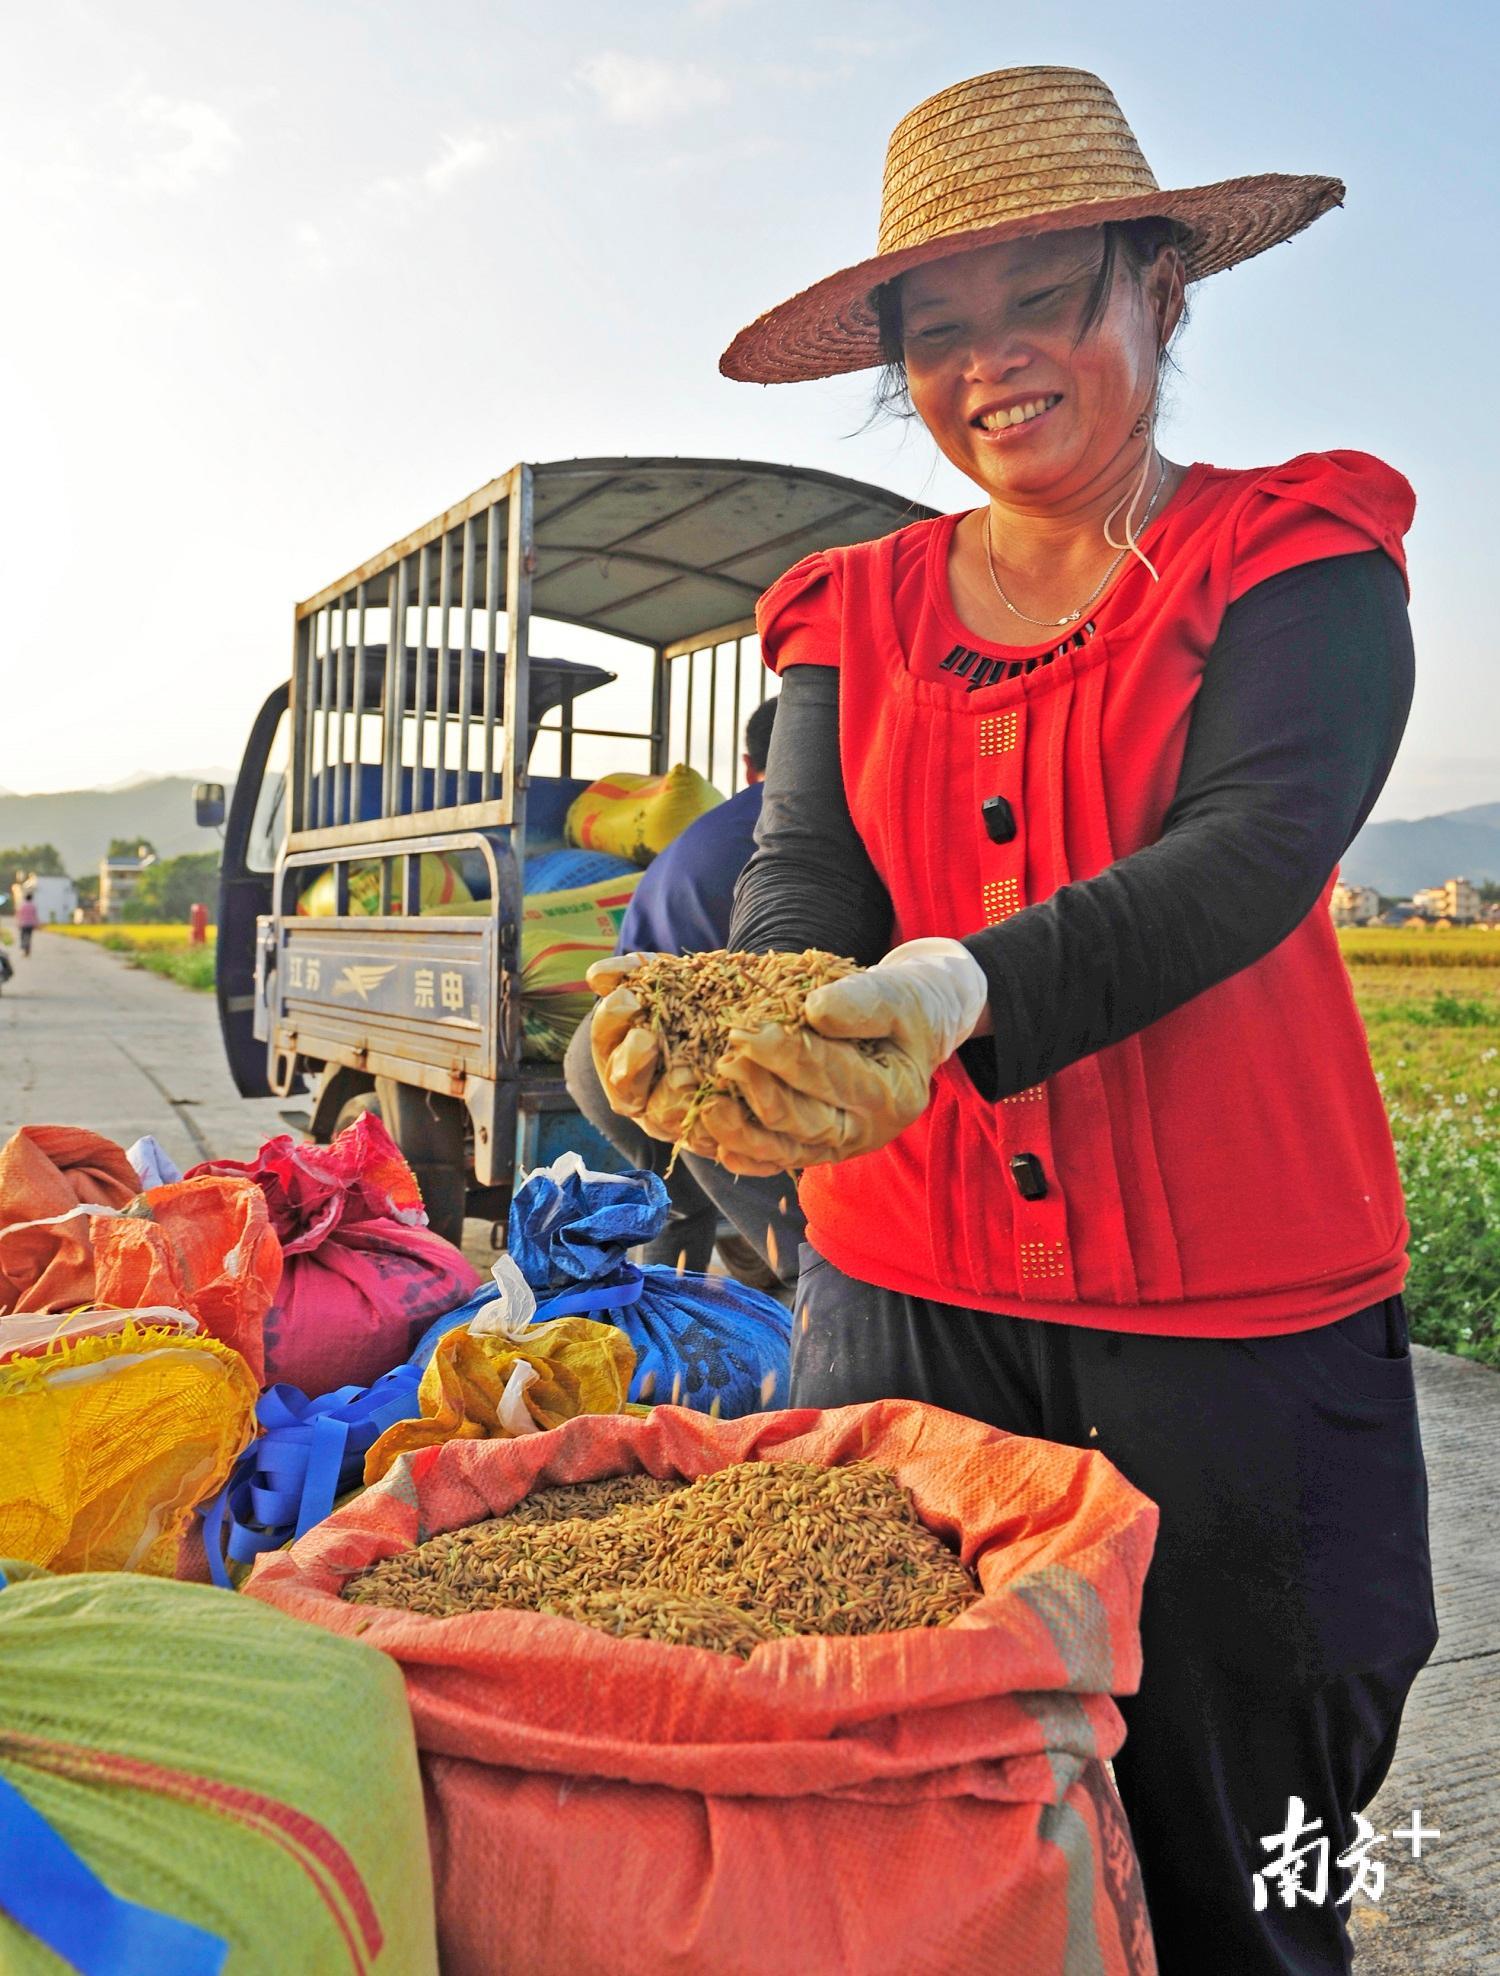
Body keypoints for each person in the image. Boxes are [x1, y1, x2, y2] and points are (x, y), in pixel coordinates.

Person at [597, 68, 1436, 1975]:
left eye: (1048, 298)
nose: (997, 367)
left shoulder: (1294, 554)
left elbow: (1250, 853)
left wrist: (962, 987)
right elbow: (804, 876)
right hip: (902, 1305)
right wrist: (743, 1028)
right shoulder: (851, 609)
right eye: (941, 333)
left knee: (1260, 1843)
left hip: (1236, 1332)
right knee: (921, 1840)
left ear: (1161, 288)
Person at [565, 697, 804, 1288]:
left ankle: (668, 1351)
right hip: (676, 1056)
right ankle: (822, 1361)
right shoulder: (805, 828)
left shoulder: (722, 819)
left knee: (681, 1207)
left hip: (600, 1045)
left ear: (751, 766)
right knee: (813, 1247)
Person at [15, 890, 38, 958]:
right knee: (29, 937)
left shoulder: (22, 905)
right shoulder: (33, 906)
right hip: (30, 924)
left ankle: (25, 949)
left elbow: (19, 915)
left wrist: (18, 923)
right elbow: (35, 915)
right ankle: (27, 950)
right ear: (31, 898)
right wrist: (36, 924)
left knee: (23, 937)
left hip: (23, 924)